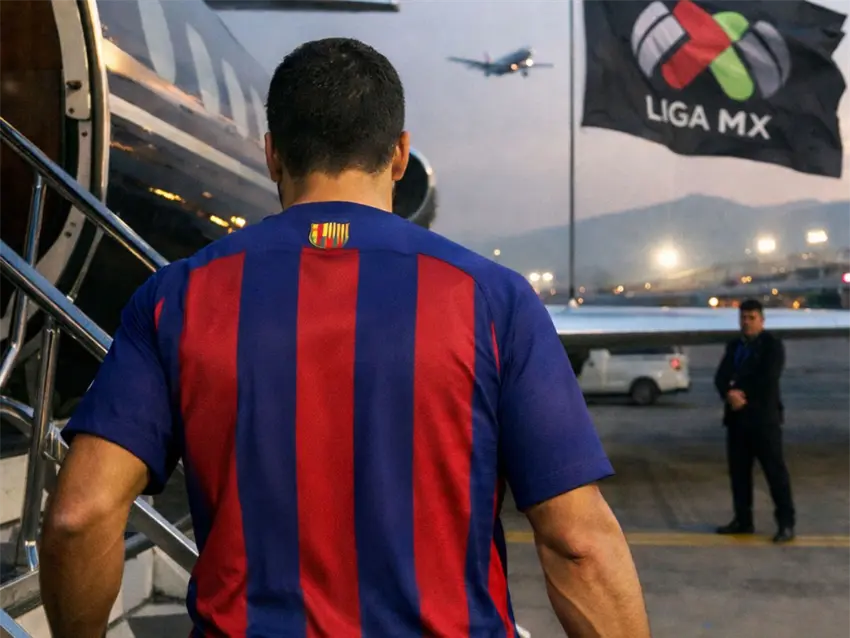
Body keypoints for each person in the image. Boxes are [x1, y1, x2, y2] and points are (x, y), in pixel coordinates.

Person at [39, 37, 651, 637]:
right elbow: (577, 542)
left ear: (272, 154)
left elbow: (79, 515)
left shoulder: (176, 297)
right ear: (400, 154)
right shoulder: (494, 300)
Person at [714, 298, 795, 543]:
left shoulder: (772, 346)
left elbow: (768, 378)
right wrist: (728, 394)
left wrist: (741, 395)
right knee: (739, 475)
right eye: (743, 318)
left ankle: (786, 523)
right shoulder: (734, 346)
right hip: (737, 422)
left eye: (752, 318)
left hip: (763, 421)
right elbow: (720, 376)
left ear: (762, 320)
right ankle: (743, 520)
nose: (747, 322)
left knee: (775, 473)